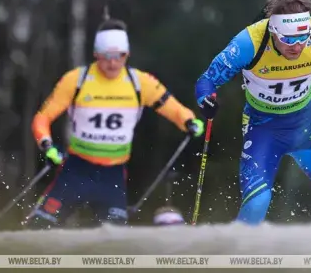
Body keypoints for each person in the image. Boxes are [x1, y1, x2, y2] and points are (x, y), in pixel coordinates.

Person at [194, 0, 311, 224]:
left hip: (308, 124)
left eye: (302, 38)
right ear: (272, 30)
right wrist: (205, 99)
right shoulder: (250, 41)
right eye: (288, 39)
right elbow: (207, 80)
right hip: (263, 128)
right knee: (256, 205)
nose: (296, 46)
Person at [26, 18, 205, 229]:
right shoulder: (76, 80)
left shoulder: (140, 83)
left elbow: (173, 108)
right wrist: (47, 145)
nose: (112, 63)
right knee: (39, 228)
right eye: (106, 57)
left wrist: (189, 121)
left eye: (119, 56)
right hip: (76, 171)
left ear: (127, 54)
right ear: (96, 54)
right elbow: (42, 117)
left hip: (112, 177)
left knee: (114, 241)